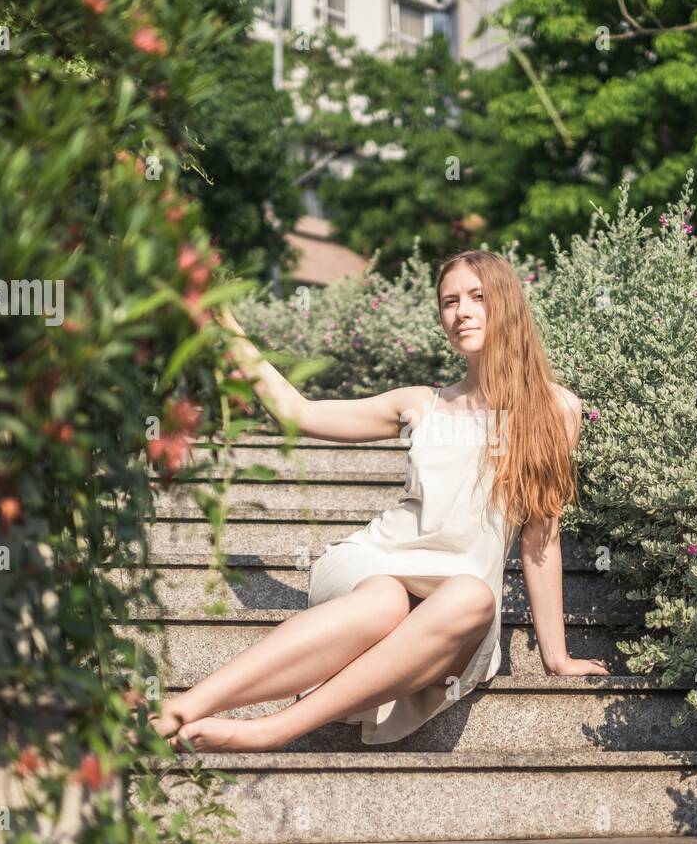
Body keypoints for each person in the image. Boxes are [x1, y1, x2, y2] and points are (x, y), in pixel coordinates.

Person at [149, 249, 609, 752]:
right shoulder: (421, 403)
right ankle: (181, 709)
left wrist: (556, 657)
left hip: (454, 607)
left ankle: (269, 730)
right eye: (449, 301)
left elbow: (540, 543)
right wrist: (226, 325)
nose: (461, 312)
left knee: (474, 595)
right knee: (386, 598)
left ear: (508, 304)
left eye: (477, 297)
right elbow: (296, 412)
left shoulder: (556, 409)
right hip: (373, 567)